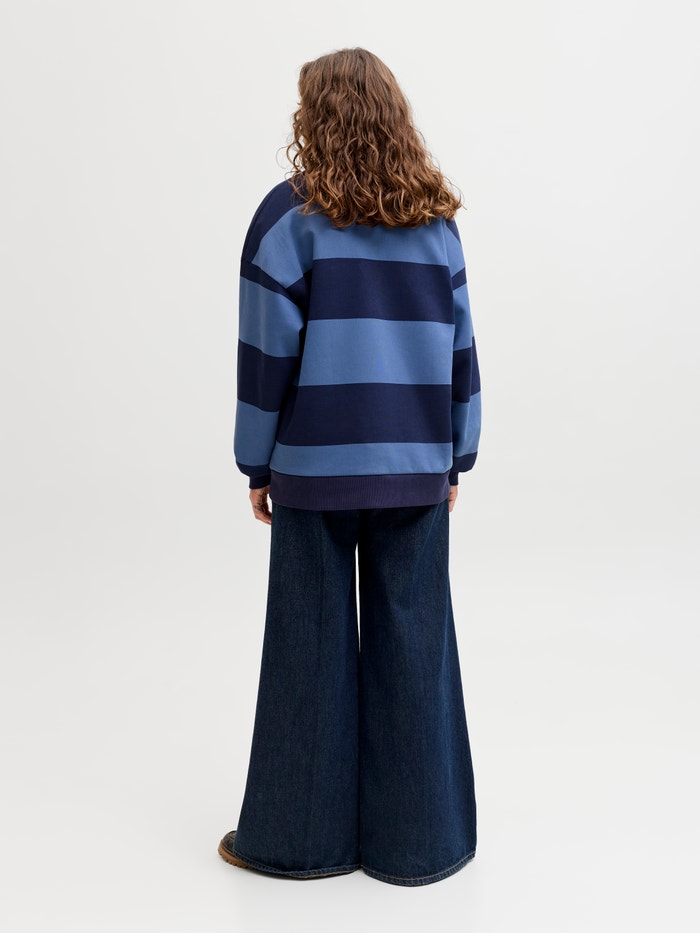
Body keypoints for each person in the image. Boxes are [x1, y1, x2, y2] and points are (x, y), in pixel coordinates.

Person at [218, 47, 482, 887]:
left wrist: (255, 462)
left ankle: (299, 841)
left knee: (308, 649)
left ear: (314, 116)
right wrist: (456, 455)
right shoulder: (435, 222)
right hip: (416, 467)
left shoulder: (286, 219)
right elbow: (462, 355)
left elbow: (265, 357)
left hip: (313, 468)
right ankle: (422, 844)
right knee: (417, 648)